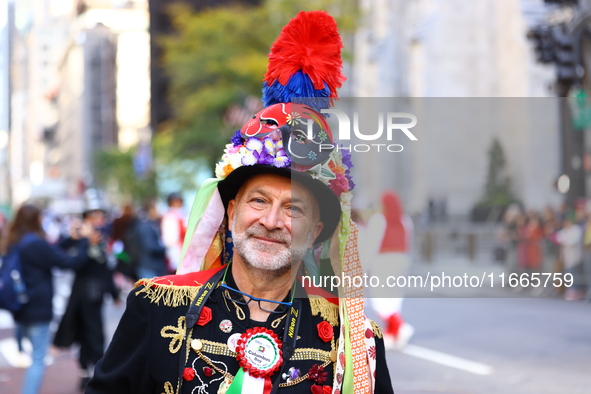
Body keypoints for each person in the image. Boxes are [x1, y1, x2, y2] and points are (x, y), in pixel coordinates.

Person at [87, 11, 393, 394]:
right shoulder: (157, 307)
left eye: (294, 208)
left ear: (316, 230)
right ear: (231, 213)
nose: (271, 220)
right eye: (259, 200)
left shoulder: (353, 342)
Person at [2, 204, 95, 394]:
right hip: (37, 307)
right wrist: (86, 241)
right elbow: (69, 262)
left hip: (21, 304)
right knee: (38, 359)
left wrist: (71, 240)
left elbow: (51, 254)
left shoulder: (15, 240)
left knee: (33, 354)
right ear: (36, 219)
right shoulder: (35, 242)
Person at [53, 208, 120, 390]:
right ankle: (86, 373)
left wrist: (114, 293)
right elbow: (61, 256)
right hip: (80, 293)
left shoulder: (101, 237)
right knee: (83, 332)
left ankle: (96, 374)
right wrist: (76, 239)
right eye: (93, 215)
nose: (98, 219)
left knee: (94, 333)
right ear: (85, 218)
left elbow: (106, 268)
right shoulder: (81, 239)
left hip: (93, 294)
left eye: (100, 215)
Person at [135, 200, 168, 279]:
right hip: (149, 267)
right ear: (151, 210)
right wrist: (166, 248)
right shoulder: (146, 226)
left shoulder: (152, 223)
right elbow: (150, 246)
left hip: (152, 266)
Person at [161, 192, 186, 272]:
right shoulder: (169, 217)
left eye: (179, 201)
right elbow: (170, 241)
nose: (178, 204)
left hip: (184, 251)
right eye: (175, 201)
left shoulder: (182, 214)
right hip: (176, 253)